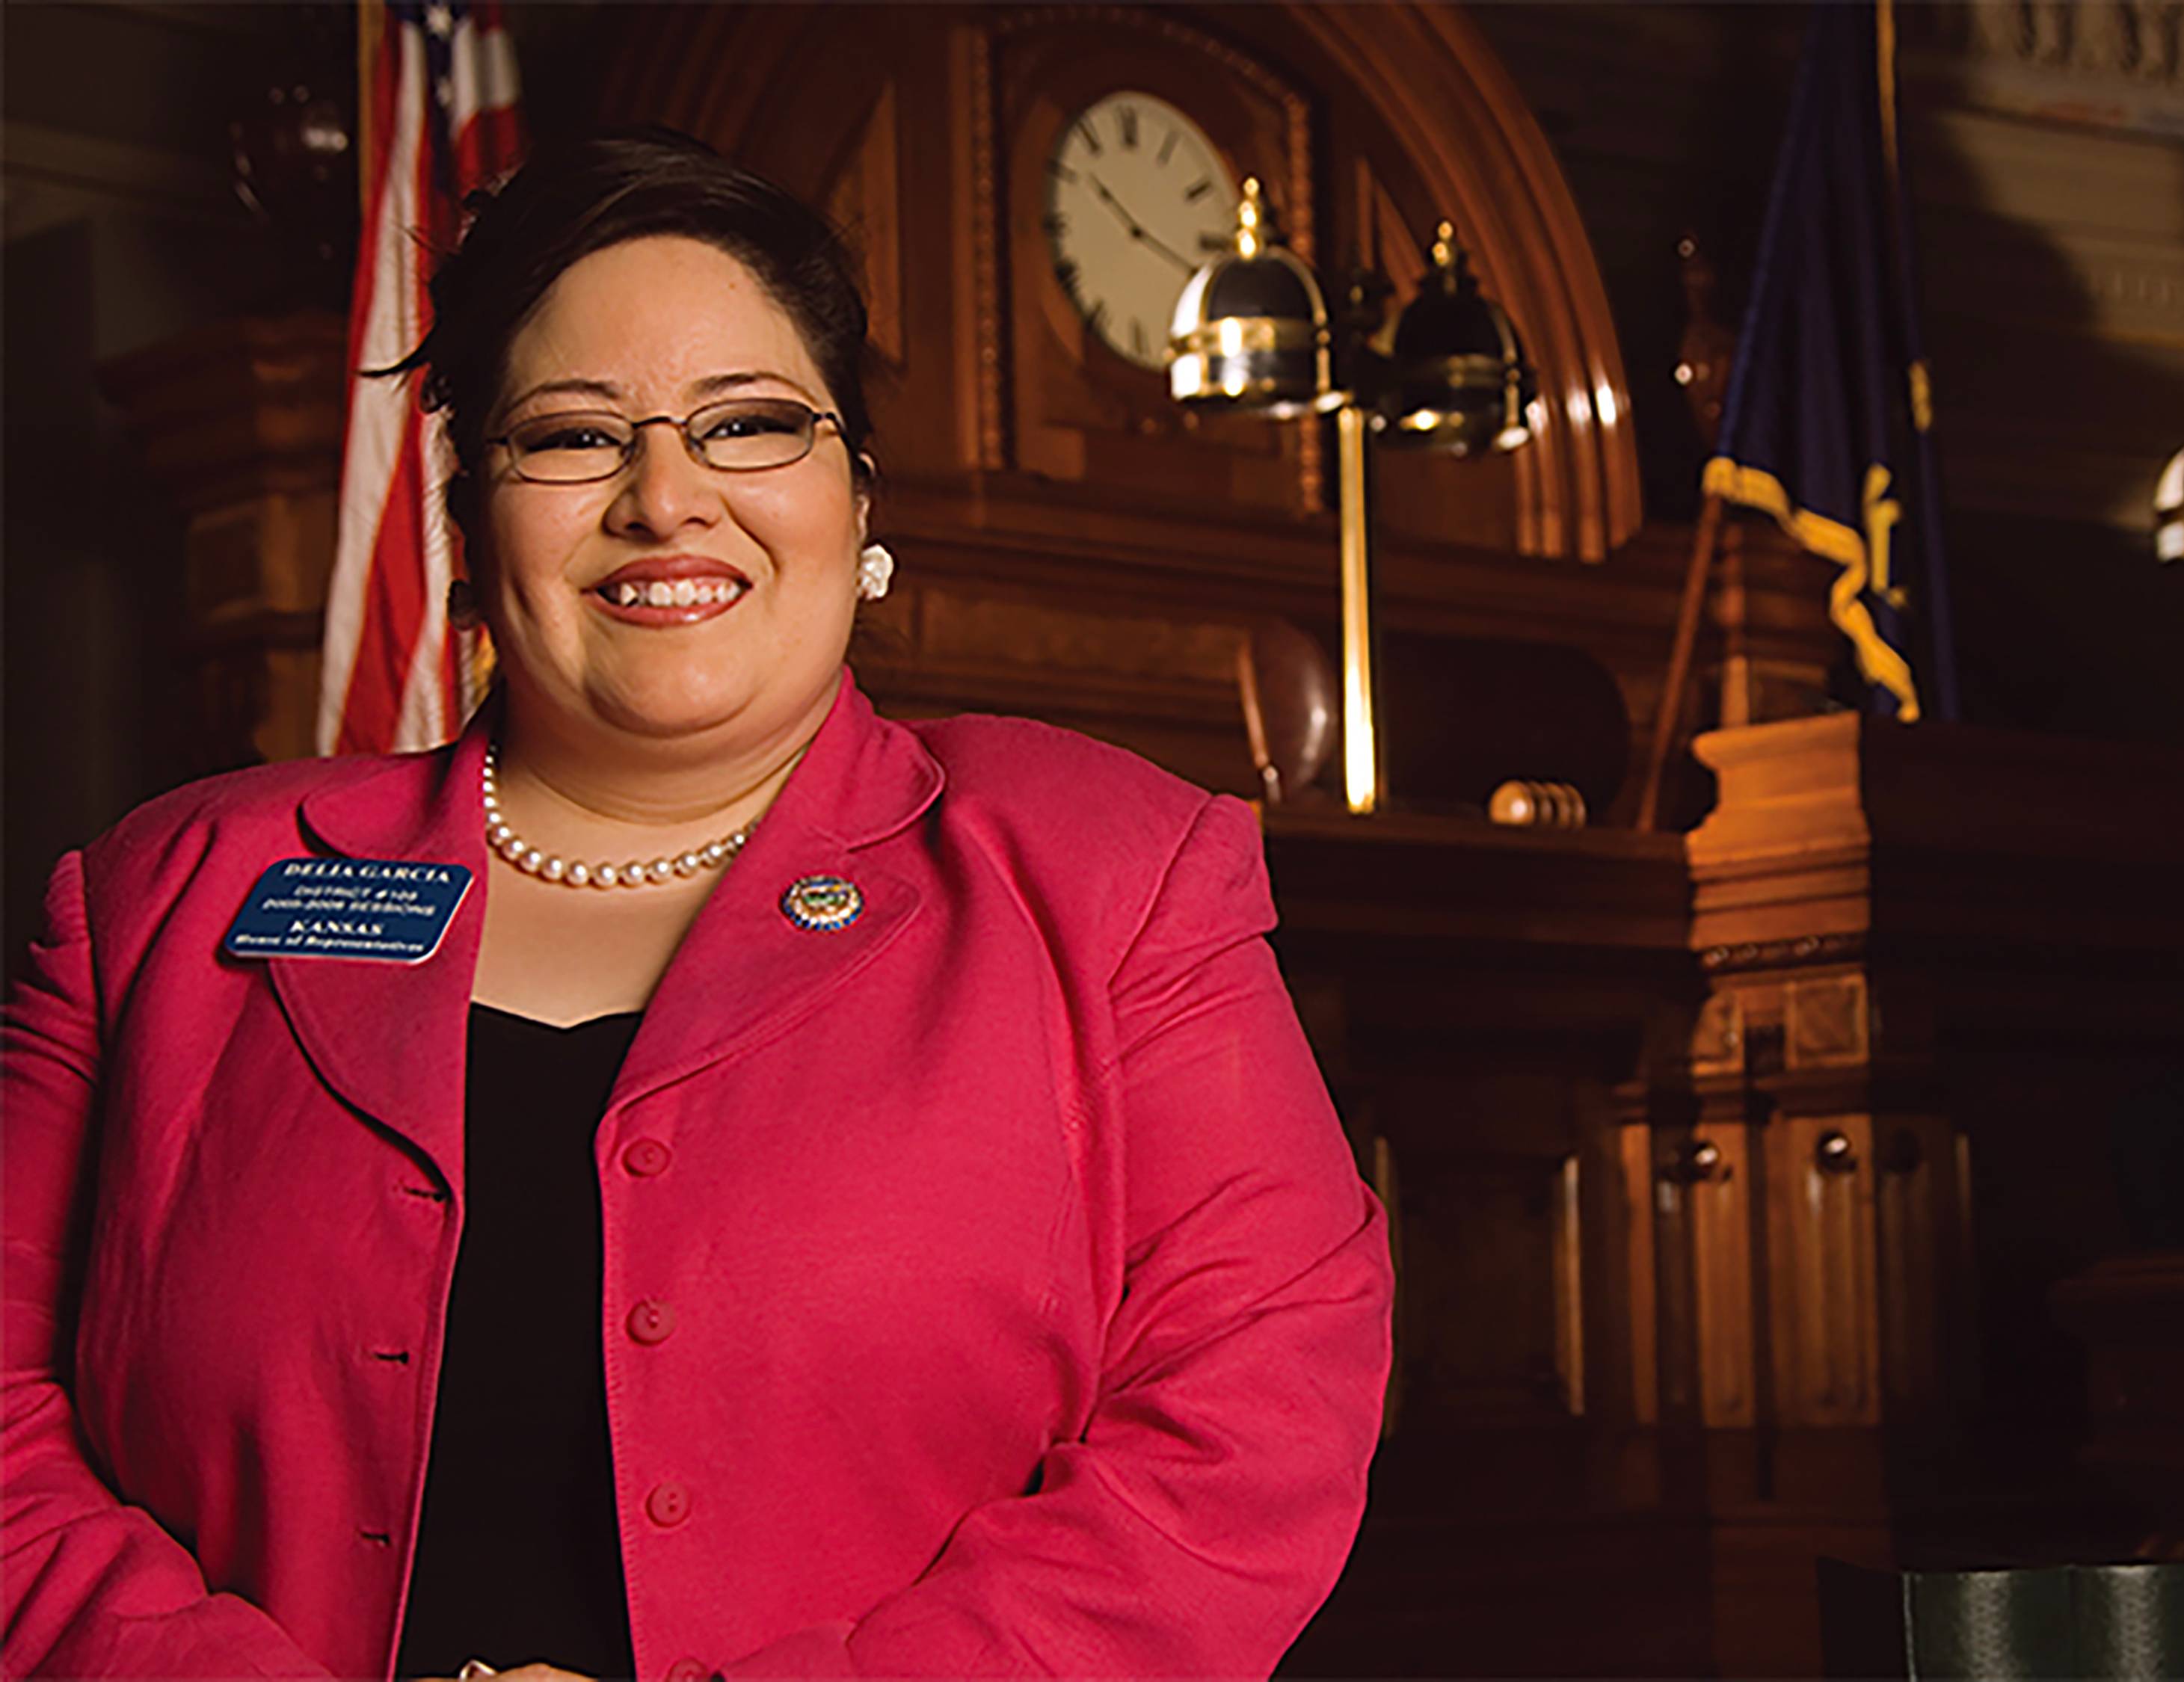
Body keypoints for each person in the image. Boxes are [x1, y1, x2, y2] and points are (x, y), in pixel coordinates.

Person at [0, 129, 1393, 1682]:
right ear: (471, 519)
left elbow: (1253, 1419)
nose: (668, 500)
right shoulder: (163, 902)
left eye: (748, 424)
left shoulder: (1114, 875)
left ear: (859, 502)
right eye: (573, 438)